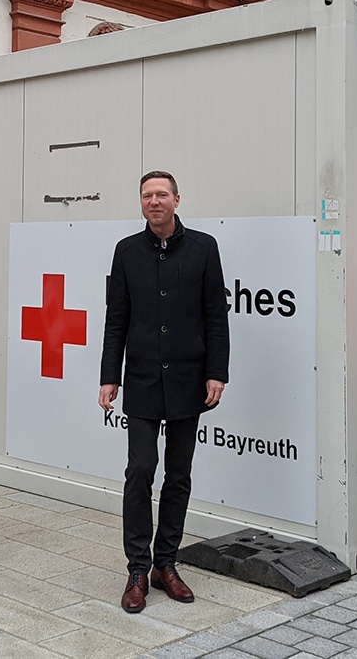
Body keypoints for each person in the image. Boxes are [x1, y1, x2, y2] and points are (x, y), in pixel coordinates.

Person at [99, 170, 230, 614]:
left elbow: (216, 314)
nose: (154, 201)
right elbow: (116, 318)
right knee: (140, 470)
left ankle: (166, 564)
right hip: (140, 379)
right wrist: (108, 376)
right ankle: (138, 568)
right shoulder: (127, 252)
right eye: (146, 195)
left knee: (179, 475)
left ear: (177, 199)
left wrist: (217, 372)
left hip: (189, 379)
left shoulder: (203, 248)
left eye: (162, 195)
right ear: (140, 203)